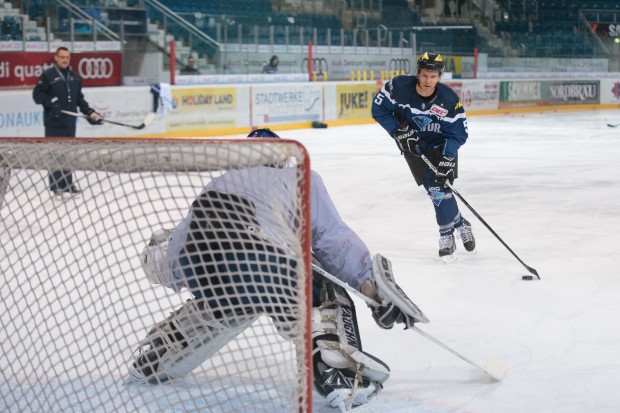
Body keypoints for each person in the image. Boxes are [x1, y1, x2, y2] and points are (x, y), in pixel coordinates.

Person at [127, 128, 425, 411]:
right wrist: (368, 285)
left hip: (205, 268)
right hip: (265, 262)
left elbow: (177, 257)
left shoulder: (219, 183)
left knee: (225, 303)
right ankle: (341, 377)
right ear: (281, 158)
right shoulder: (299, 177)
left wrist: (157, 263)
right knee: (318, 284)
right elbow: (333, 241)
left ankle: (159, 356)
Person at [371, 52, 475, 261]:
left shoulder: (448, 100)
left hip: (440, 145)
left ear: (439, 77)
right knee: (436, 191)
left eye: (433, 76)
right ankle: (460, 223)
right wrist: (398, 132)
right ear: (418, 74)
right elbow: (378, 109)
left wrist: (447, 157)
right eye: (425, 75)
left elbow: (459, 133)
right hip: (413, 146)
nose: (428, 81)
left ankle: (446, 235)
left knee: (438, 190)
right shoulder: (398, 88)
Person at [32, 46, 103, 197]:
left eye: (67, 57)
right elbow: (37, 95)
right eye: (62, 57)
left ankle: (68, 184)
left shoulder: (75, 77)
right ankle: (57, 185)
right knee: (56, 153)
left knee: (68, 154)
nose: (64, 60)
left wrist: (90, 113)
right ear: (56, 58)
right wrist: (51, 102)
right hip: (54, 123)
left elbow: (79, 100)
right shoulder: (47, 75)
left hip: (70, 122)